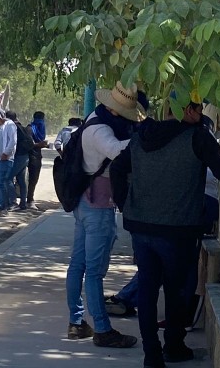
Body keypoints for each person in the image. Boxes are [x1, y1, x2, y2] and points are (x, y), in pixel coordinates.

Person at [110, 98, 220, 368]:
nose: (202, 115)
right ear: (187, 110)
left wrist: (126, 205)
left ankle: (152, 355)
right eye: (199, 110)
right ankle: (174, 346)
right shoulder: (197, 137)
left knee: (147, 289)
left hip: (142, 227)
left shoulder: (141, 135)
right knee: (176, 291)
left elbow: (118, 168)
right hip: (178, 229)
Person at [66, 81, 144, 349]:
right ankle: (101, 328)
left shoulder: (95, 118)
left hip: (86, 201)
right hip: (97, 205)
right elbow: (117, 151)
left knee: (79, 265)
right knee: (95, 272)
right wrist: (144, 137)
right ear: (115, 110)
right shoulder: (101, 129)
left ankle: (77, 323)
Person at [5, 111, 34, 211]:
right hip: (25, 157)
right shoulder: (22, 127)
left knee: (8, 178)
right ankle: (23, 204)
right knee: (21, 181)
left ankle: (13, 202)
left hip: (18, 157)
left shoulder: (14, 127)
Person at [26, 111, 49, 211]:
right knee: (27, 180)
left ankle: (30, 199)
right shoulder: (30, 128)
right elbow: (29, 144)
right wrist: (40, 145)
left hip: (37, 156)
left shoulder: (38, 129)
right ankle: (28, 200)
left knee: (34, 180)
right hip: (28, 157)